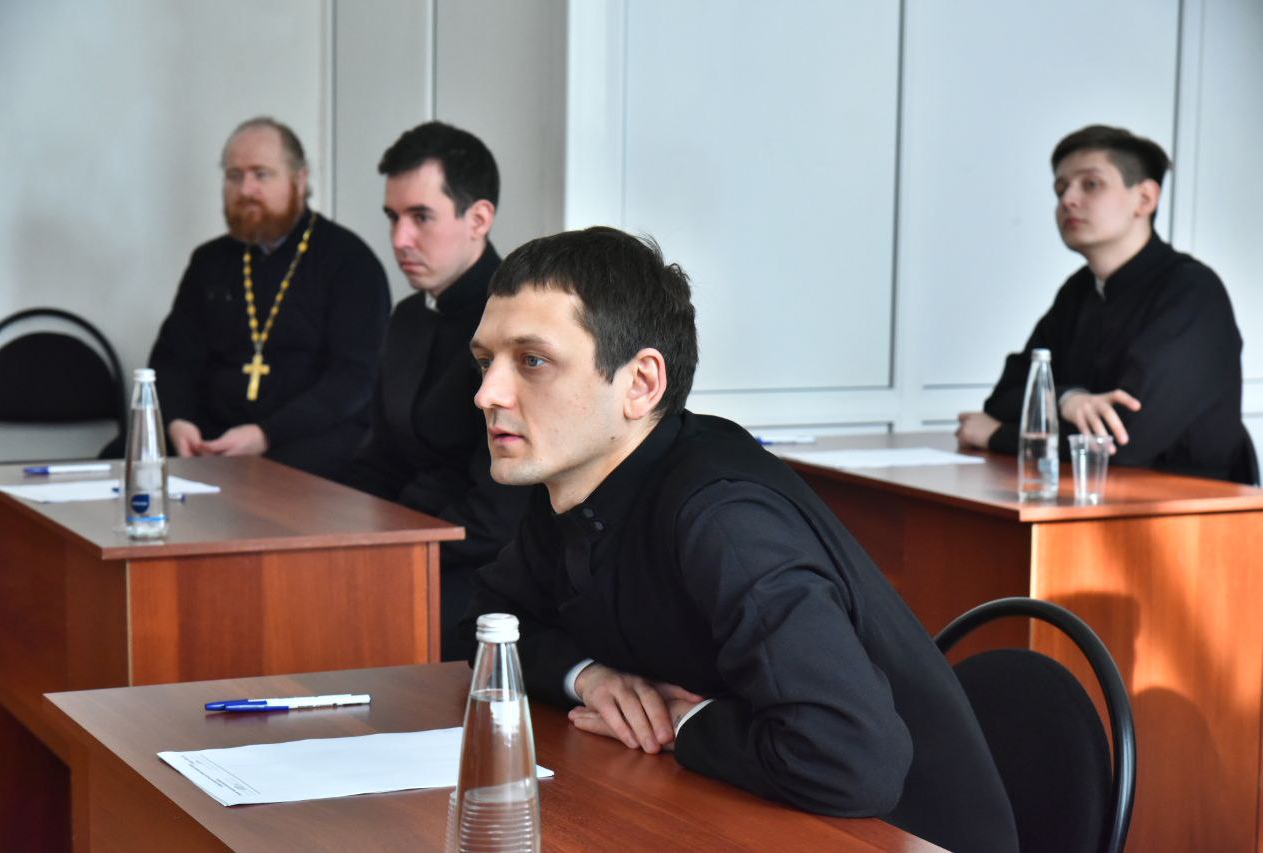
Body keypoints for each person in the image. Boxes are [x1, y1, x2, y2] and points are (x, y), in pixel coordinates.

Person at [463, 227, 1017, 852]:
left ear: (641, 383)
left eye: (532, 361)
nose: (487, 394)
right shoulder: (576, 478)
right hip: (743, 813)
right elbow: (486, 622)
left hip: (895, 837)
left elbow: (852, 759)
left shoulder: (726, 520)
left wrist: (684, 722)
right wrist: (589, 677)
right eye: (485, 362)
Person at [957, 124, 1252, 482]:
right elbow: (1006, 396)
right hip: (1091, 493)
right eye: (1060, 188)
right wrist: (1068, 400)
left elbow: (1123, 443)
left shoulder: (1193, 293)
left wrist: (997, 436)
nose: (1068, 200)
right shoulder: (1079, 290)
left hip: (1189, 503)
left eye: (1091, 184)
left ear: (1145, 199)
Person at [345, 122, 531, 661]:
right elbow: (378, 460)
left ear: (479, 219)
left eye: (421, 217)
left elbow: (500, 517)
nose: (399, 239)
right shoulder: (408, 316)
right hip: (411, 547)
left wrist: (387, 544)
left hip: (483, 577)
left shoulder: (520, 325)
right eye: (393, 218)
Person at [145, 117, 389, 480]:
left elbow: (354, 378)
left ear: (299, 180)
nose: (246, 189)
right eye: (234, 176)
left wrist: (266, 434)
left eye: (261, 174)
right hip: (209, 437)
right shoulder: (209, 261)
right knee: (122, 458)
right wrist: (178, 421)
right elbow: (173, 359)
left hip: (303, 438)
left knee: (274, 482)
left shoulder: (350, 261)